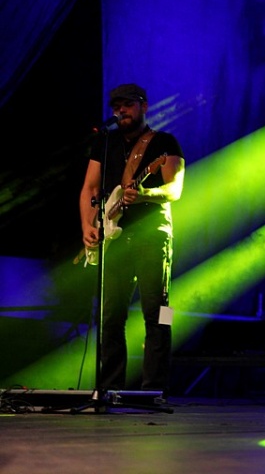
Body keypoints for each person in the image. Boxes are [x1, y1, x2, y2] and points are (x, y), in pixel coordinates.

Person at [80, 83, 185, 398]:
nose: (121, 110)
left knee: (159, 313)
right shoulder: (105, 143)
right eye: (116, 106)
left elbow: (175, 189)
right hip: (115, 239)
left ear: (144, 106)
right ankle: (110, 387)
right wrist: (87, 225)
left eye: (127, 104)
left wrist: (144, 195)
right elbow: (90, 188)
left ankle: (155, 389)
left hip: (153, 236)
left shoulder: (164, 142)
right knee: (110, 317)